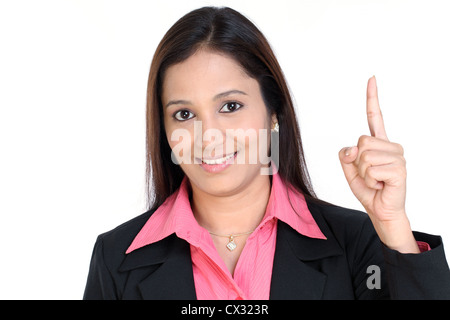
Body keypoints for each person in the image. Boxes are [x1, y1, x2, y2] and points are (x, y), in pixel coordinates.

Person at [83, 6, 450, 300]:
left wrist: (394, 227)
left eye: (229, 106)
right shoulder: (116, 258)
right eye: (184, 114)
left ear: (273, 114)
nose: (208, 136)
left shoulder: (357, 243)